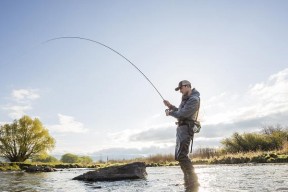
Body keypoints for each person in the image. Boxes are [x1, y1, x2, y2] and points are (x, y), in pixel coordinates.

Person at [163, 80, 200, 192]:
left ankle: (193, 182)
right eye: (179, 89)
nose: (180, 91)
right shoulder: (186, 99)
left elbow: (183, 114)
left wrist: (170, 113)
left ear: (188, 86)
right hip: (181, 129)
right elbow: (179, 111)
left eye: (181, 88)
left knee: (183, 156)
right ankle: (187, 181)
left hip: (186, 129)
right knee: (179, 156)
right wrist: (170, 106)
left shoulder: (194, 99)